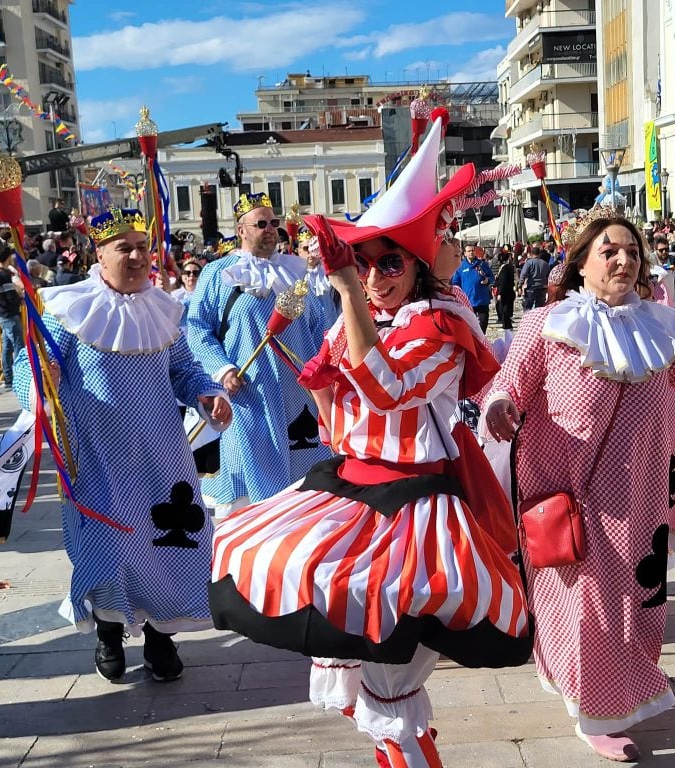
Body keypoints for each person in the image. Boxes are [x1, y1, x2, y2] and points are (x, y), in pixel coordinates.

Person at [210, 116, 531, 768]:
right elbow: (326, 383)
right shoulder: (367, 317)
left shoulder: (441, 326)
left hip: (421, 508)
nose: (376, 275)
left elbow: (389, 389)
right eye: (364, 260)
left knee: (393, 679)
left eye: (390, 262)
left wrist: (348, 295)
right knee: (367, 677)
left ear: (416, 266)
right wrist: (324, 386)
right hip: (354, 491)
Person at [482, 209, 675, 762]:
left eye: (632, 252)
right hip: (573, 491)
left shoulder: (659, 327)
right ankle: (596, 709)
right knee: (592, 602)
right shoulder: (547, 325)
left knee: (640, 601)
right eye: (609, 251)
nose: (623, 260)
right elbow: (511, 382)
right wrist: (500, 404)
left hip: (644, 497)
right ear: (581, 263)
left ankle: (613, 685)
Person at [12, 208, 232, 683]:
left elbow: (183, 369)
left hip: (162, 455)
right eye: (123, 248)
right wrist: (40, 376)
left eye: (141, 247)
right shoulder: (69, 307)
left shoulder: (164, 308)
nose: (136, 257)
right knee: (109, 546)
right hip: (98, 458)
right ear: (100, 253)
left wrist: (206, 391)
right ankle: (109, 632)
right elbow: (27, 370)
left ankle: (159, 635)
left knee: (169, 544)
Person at [186, 192, 332, 517]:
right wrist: (222, 369)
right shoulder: (217, 274)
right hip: (247, 398)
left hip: (299, 398)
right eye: (261, 223)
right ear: (242, 231)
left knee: (306, 496)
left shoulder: (297, 273)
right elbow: (197, 329)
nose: (270, 229)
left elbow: (320, 327)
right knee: (249, 493)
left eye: (274, 223)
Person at [0, 249, 24, 390]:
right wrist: (20, 299)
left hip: (2, 314)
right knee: (18, 346)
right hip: (10, 314)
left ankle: (9, 377)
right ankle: (21, 377)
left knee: (7, 347)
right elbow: (10, 296)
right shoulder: (3, 274)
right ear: (8, 257)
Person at [450, 243, 494, 332]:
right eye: (469, 251)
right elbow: (455, 283)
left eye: (473, 250)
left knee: (483, 323)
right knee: (469, 326)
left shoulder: (482, 264)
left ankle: (481, 341)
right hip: (468, 301)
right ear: (465, 253)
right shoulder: (460, 266)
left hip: (482, 300)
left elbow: (492, 277)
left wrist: (487, 280)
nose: (471, 253)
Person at [493, 250, 516, 330]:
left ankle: (507, 325)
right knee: (506, 309)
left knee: (503, 310)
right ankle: (507, 324)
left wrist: (500, 293)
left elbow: (503, 282)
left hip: (505, 292)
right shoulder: (510, 267)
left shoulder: (504, 269)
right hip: (509, 291)